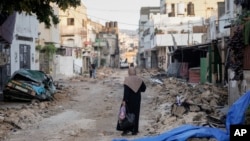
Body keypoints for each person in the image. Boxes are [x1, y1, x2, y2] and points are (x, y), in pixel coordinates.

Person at [116, 67, 146, 136]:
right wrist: (137, 90)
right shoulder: (139, 79)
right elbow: (144, 89)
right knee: (136, 114)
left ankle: (125, 130)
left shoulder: (127, 80)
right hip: (137, 99)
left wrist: (124, 100)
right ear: (135, 72)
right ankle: (135, 131)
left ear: (129, 72)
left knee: (126, 114)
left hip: (128, 100)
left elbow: (126, 92)